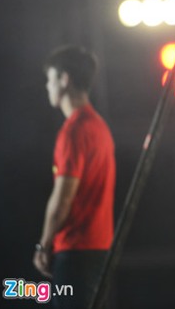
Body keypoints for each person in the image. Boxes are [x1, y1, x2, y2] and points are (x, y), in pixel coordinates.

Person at [33, 45, 116, 309]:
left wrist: (44, 244)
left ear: (64, 80)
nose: (47, 86)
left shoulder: (74, 131)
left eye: (50, 79)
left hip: (75, 251)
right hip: (99, 250)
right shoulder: (99, 127)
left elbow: (62, 198)